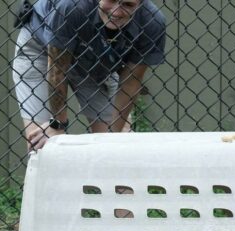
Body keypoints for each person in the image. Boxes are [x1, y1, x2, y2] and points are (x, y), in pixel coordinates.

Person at [12, 0, 167, 150]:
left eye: (127, 4)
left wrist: (112, 139)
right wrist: (57, 124)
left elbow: (131, 82)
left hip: (96, 56)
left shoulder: (152, 20)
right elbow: (57, 70)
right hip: (41, 47)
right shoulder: (71, 5)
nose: (116, 11)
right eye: (111, 0)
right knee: (44, 143)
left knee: (117, 144)